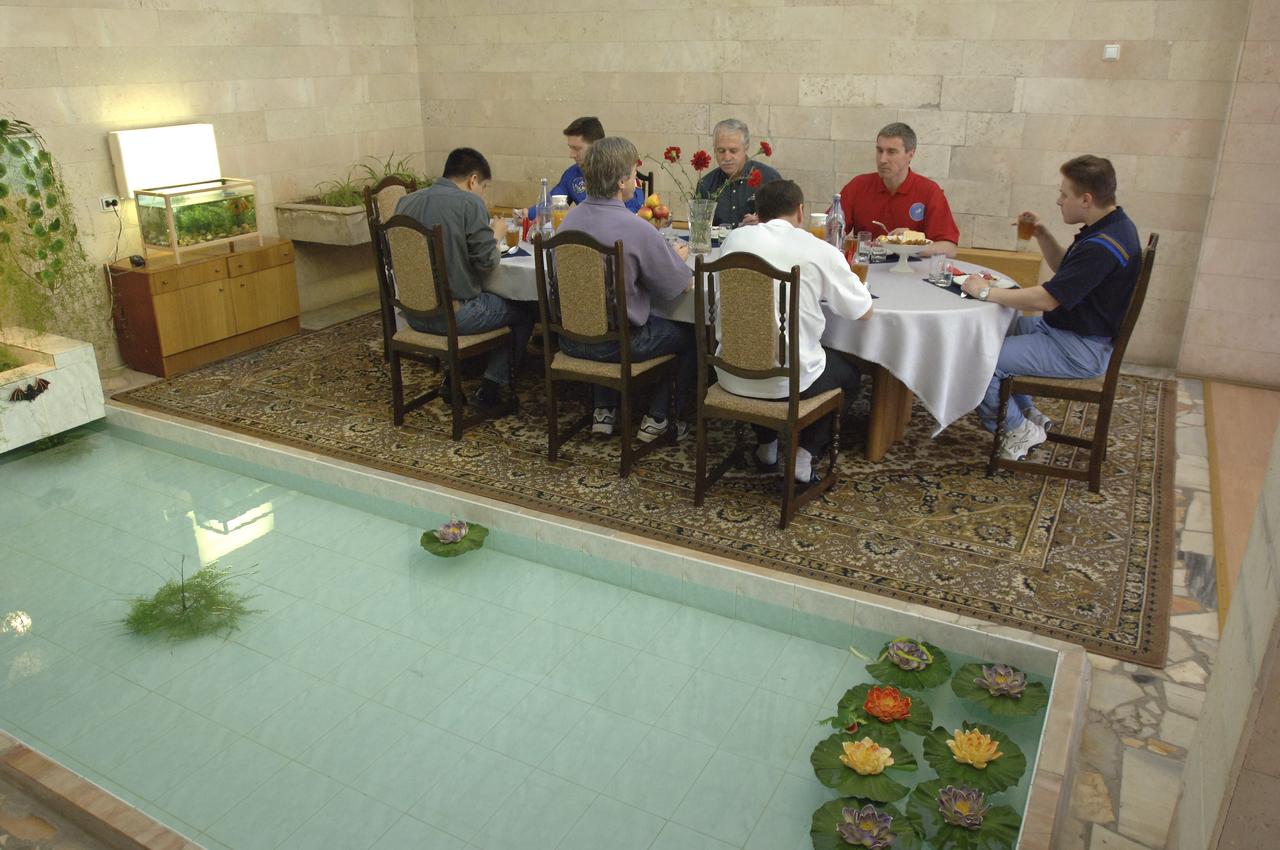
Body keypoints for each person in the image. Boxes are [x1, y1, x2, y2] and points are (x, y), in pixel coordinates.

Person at [963, 155, 1142, 461]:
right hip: (1070, 331)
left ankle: (1015, 428)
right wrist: (1042, 235)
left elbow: (1047, 298)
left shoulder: (1102, 247)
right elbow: (1067, 273)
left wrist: (986, 293)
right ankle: (1029, 414)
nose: (1059, 201)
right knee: (998, 328)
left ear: (1086, 199)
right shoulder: (1113, 226)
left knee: (977, 359)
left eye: (1064, 194)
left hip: (1079, 346)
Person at [717, 179, 874, 487]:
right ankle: (803, 457)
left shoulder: (734, 240)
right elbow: (863, 311)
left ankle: (766, 447)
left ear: (758, 213)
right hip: (787, 381)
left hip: (731, 372)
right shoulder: (819, 249)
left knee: (757, 347)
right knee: (851, 377)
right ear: (801, 213)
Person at [556, 137, 697, 442]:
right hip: (618, 346)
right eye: (634, 174)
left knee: (601, 315)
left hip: (569, 339)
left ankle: (603, 410)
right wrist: (677, 257)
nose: (636, 180)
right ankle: (659, 417)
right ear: (622, 182)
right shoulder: (635, 228)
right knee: (689, 334)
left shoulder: (567, 222)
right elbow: (680, 285)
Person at [395, 147, 536, 408]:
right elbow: (487, 263)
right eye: (484, 187)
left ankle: (458, 373)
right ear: (473, 180)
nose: (483, 194)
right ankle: (491, 387)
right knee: (526, 309)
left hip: (413, 313)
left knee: (491, 298)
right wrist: (497, 234)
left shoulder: (406, 202)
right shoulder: (468, 203)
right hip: (456, 315)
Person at [836, 122, 959, 256]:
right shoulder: (858, 186)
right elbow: (830, 230)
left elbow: (949, 248)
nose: (882, 159)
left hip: (912, 272)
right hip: (867, 271)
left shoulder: (929, 191)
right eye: (879, 150)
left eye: (891, 152)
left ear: (910, 155)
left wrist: (911, 245)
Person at [527, 116, 645, 218]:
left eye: (577, 149)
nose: (571, 155)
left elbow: (632, 215)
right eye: (570, 148)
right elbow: (553, 202)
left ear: (597, 146)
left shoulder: (620, 175)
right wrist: (526, 213)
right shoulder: (573, 174)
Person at [695, 119, 781, 226]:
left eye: (733, 151)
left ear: (746, 148)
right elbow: (699, 230)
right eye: (721, 151)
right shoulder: (705, 185)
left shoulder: (770, 178)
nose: (726, 158)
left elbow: (787, 223)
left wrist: (764, 222)